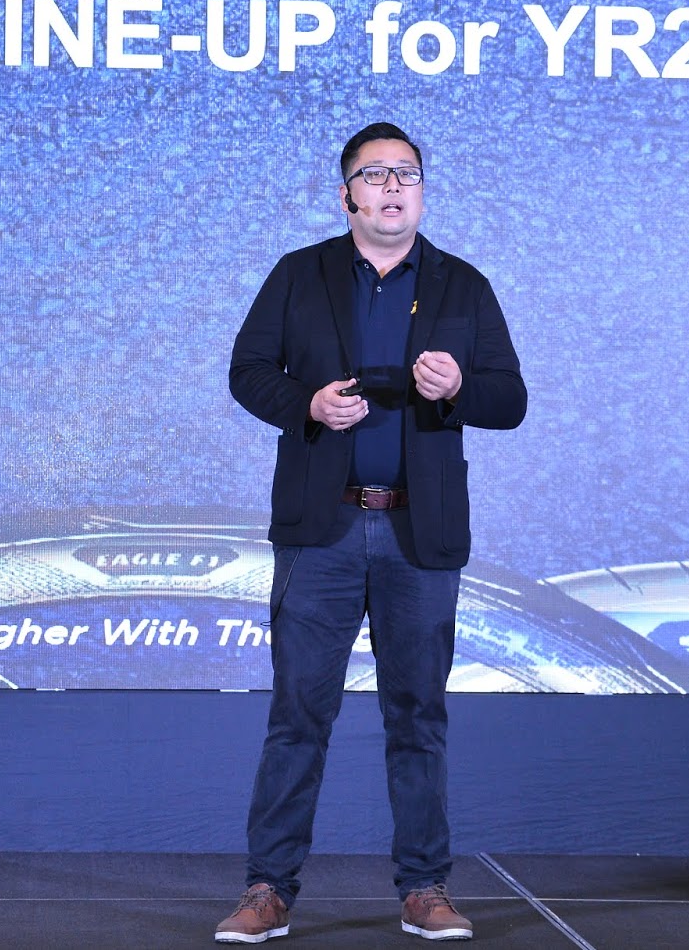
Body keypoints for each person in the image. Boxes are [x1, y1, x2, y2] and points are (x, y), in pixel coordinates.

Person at [216, 122, 526, 943]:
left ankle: (425, 887)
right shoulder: (300, 274)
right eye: (375, 174)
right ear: (346, 194)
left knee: (418, 717)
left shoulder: (463, 285)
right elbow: (248, 371)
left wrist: (458, 388)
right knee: (298, 714)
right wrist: (308, 404)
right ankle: (267, 889)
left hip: (418, 535)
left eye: (407, 173)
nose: (393, 187)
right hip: (322, 531)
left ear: (423, 192)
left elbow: (510, 399)